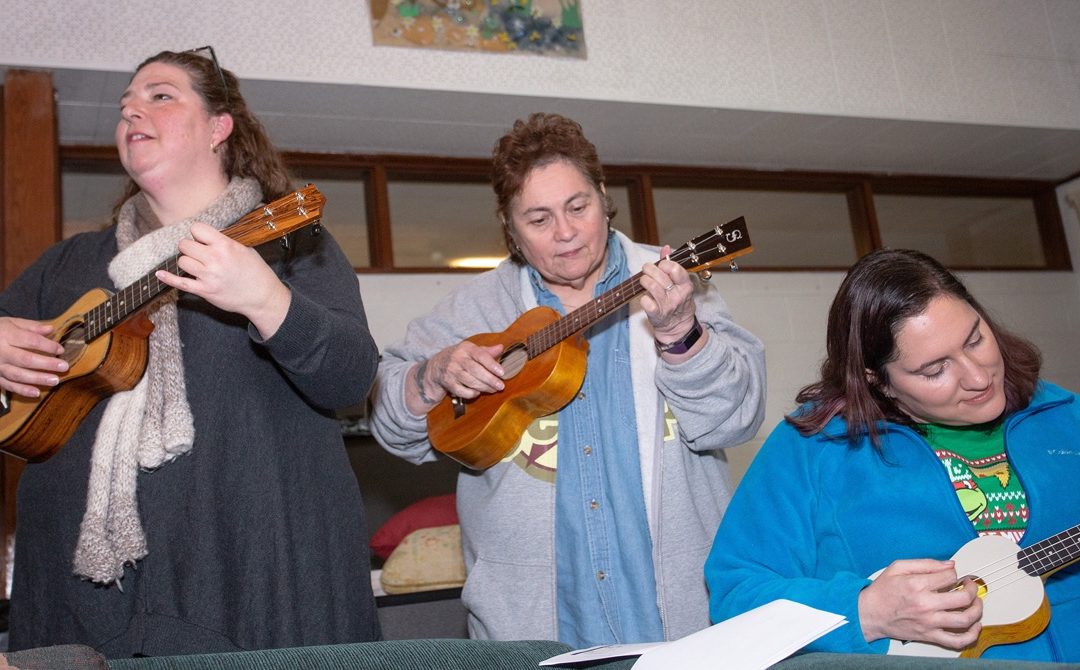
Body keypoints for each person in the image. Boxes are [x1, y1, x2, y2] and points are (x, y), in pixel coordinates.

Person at [0, 48, 381, 657]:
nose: (131, 112)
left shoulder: (285, 241)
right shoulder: (65, 265)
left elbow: (351, 378)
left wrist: (266, 300)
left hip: (251, 579)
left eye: (160, 96)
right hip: (80, 601)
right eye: (125, 104)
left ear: (218, 127)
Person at [370, 112, 766, 646]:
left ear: (603, 197)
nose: (565, 232)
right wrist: (431, 374)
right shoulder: (474, 307)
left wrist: (680, 334)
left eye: (578, 207)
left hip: (684, 619)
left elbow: (736, 418)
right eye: (538, 219)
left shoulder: (671, 282)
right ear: (510, 227)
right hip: (529, 628)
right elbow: (393, 427)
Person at [705, 248, 1080, 662]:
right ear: (877, 381)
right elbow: (736, 591)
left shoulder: (1066, 416)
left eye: (975, 339)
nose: (978, 377)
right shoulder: (814, 446)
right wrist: (864, 611)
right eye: (934, 370)